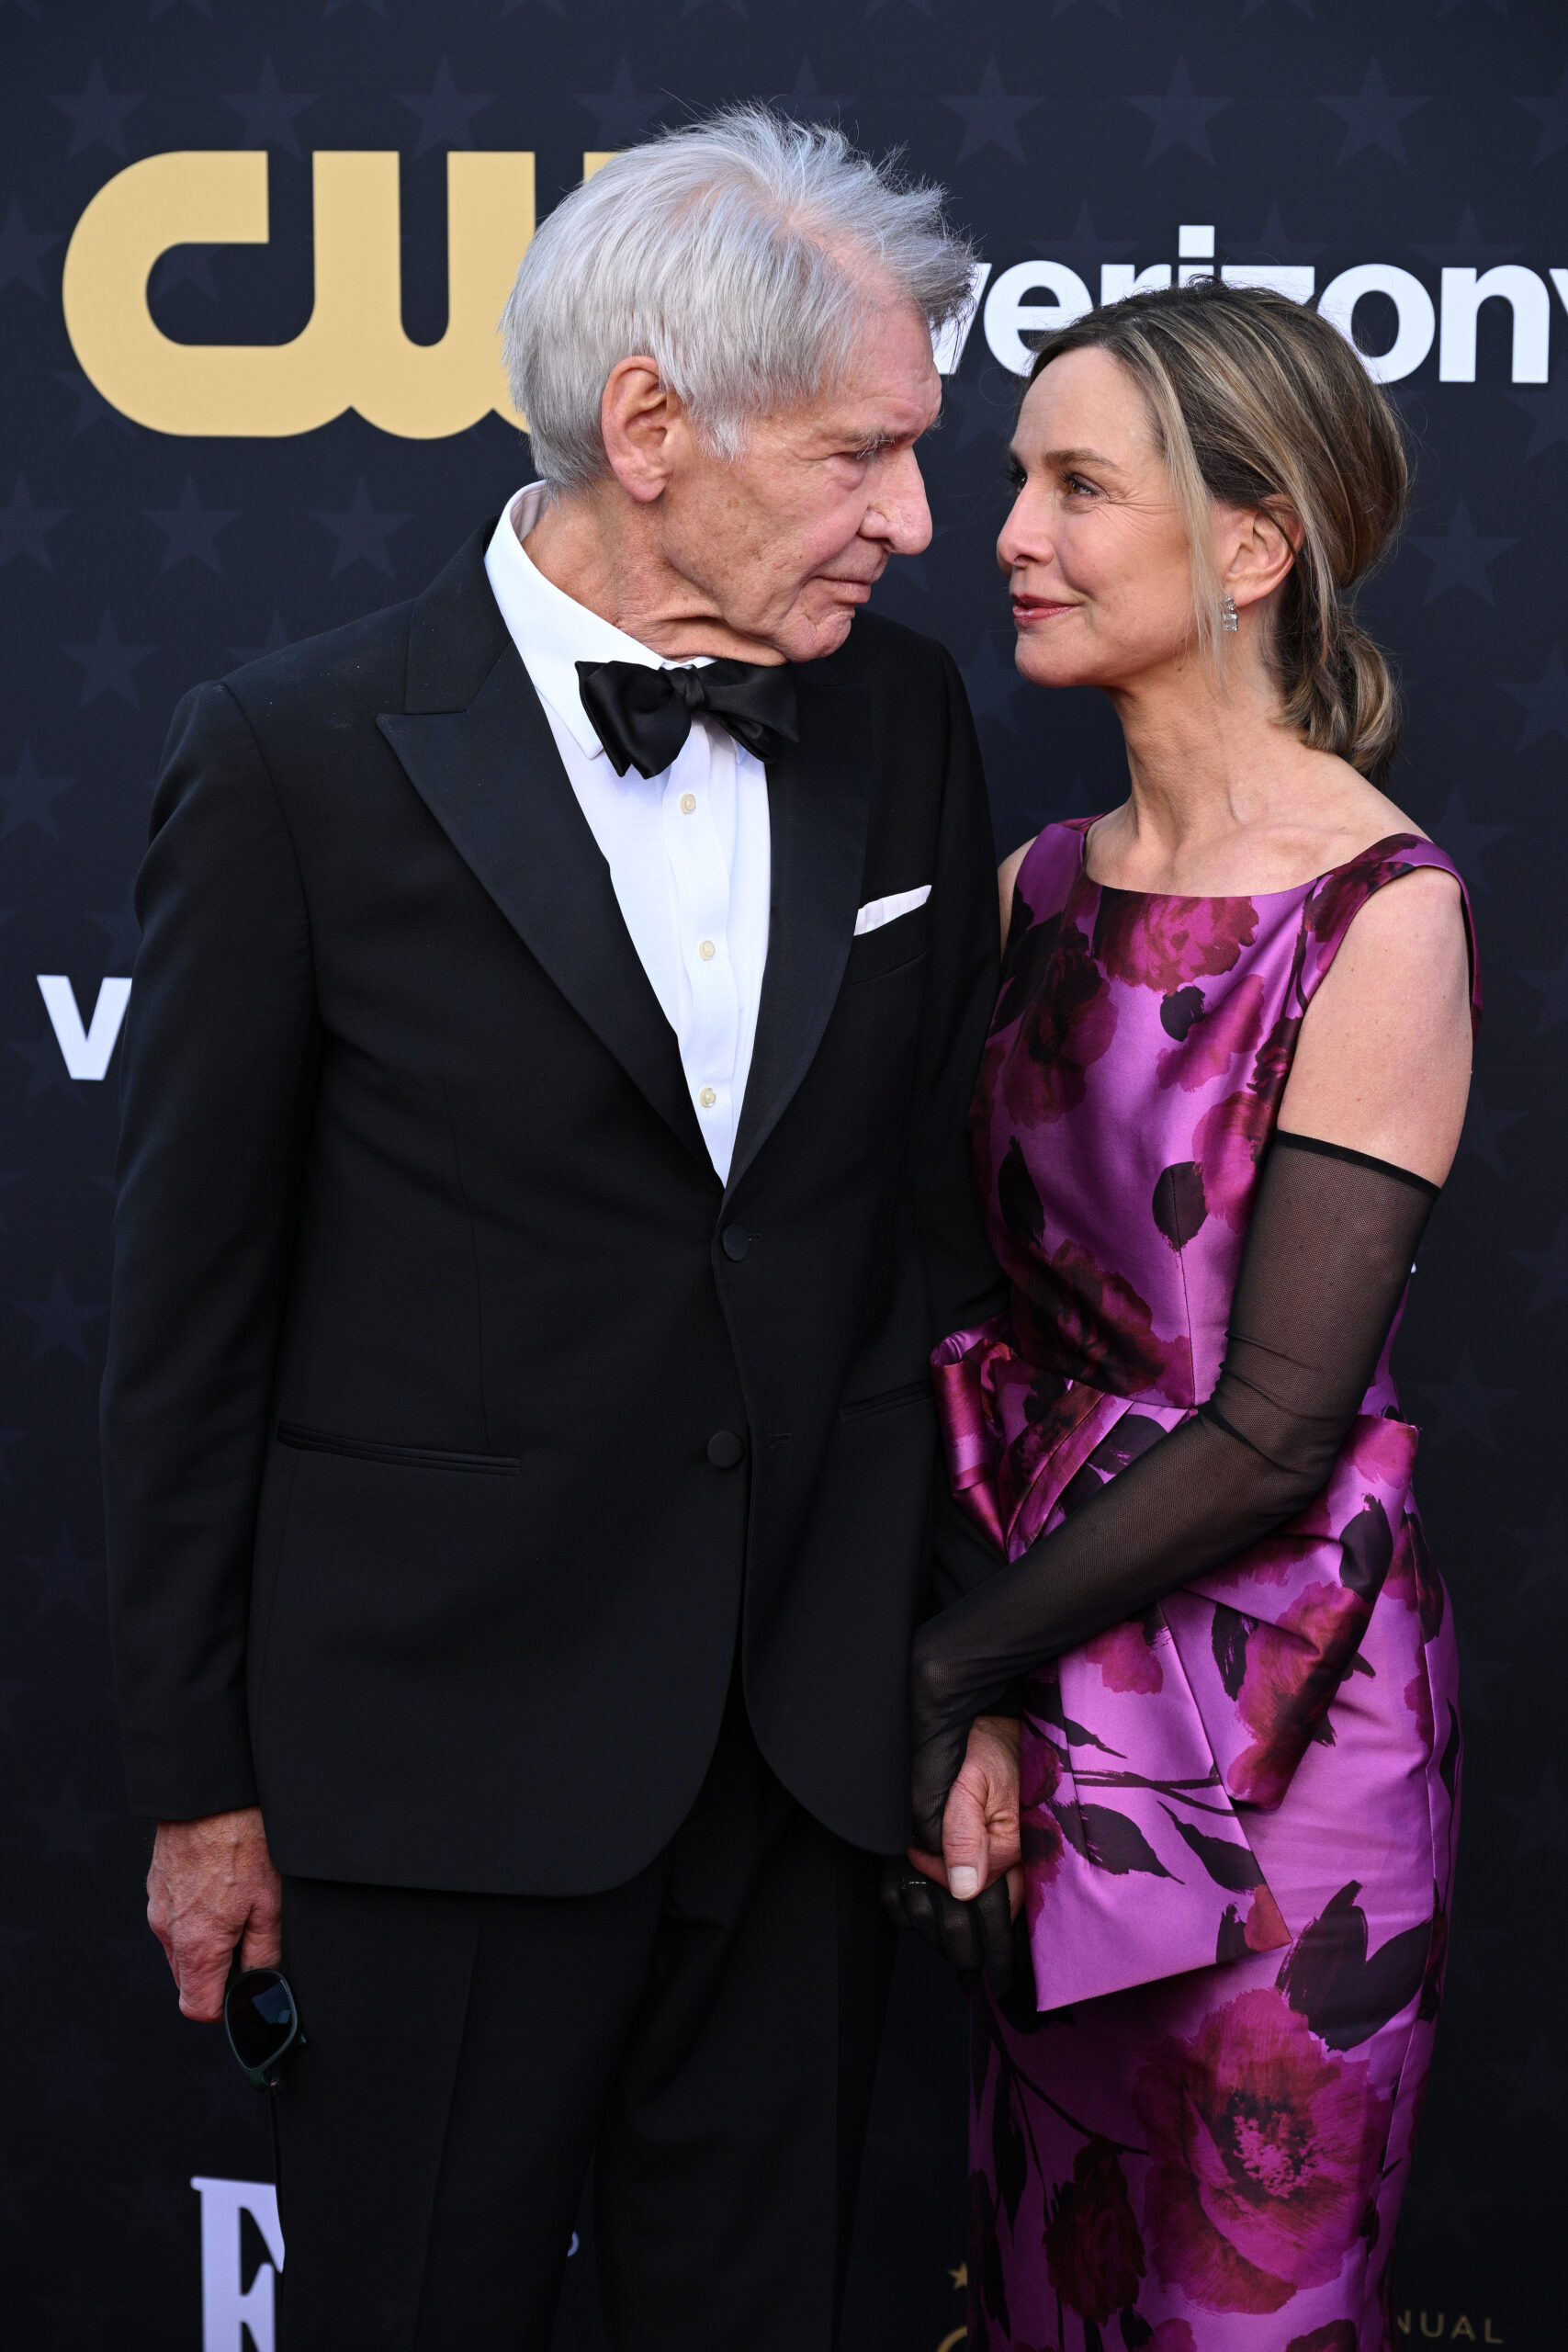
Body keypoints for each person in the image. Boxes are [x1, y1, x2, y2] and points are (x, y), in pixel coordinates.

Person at [101, 108, 1007, 2350]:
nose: (916, 518)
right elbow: (190, 1321)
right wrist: (201, 1787)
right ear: (648, 427)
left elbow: (929, 1239)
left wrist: (954, 1676)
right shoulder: (294, 757)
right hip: (431, 1779)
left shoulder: (900, 718)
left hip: (797, 1767)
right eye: (862, 454)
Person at [890, 282, 1475, 2347]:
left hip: (1285, 1733)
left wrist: (949, 1664)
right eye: (1016, 481)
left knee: (1240, 2305)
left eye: (1077, 486)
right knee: (1050, 2285)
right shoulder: (1034, 887)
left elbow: (1279, 1423)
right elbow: (950, 1314)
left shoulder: (1378, 913)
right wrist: (980, 1692)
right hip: (1046, 1688)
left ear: (1249, 544)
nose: (1007, 536)